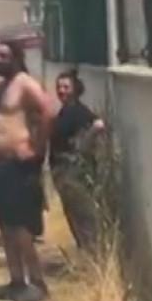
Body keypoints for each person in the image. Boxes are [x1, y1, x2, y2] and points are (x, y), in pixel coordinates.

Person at [0, 39, 60, 301]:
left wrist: (37, 147)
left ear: (15, 58)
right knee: (4, 224)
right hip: (0, 166)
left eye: (3, 55)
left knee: (22, 228)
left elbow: (48, 111)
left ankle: (37, 282)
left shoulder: (24, 83)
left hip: (19, 165)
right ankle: (16, 281)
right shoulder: (0, 86)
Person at [49, 70, 107, 251]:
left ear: (75, 89)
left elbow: (98, 126)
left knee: (83, 218)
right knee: (74, 217)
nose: (61, 91)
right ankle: (86, 255)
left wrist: (83, 146)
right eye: (59, 87)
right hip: (63, 172)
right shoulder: (65, 111)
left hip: (73, 172)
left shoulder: (78, 112)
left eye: (66, 87)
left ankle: (92, 257)